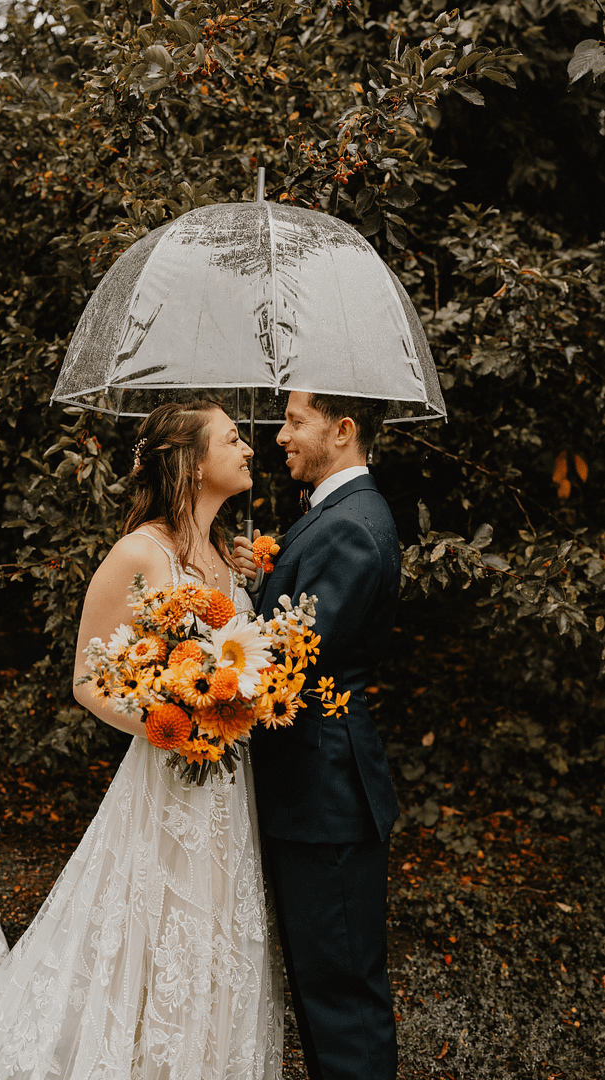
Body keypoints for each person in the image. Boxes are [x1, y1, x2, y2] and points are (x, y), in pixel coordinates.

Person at [0, 400, 283, 1080]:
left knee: (213, 927)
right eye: (233, 439)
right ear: (190, 463)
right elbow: (89, 680)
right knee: (148, 927)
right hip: (167, 773)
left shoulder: (223, 559)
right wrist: (168, 725)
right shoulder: (138, 552)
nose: (248, 449)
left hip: (224, 787)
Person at [234, 390, 400, 1080]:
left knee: (339, 996)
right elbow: (304, 619)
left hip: (324, 793)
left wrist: (214, 649)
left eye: (294, 421)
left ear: (342, 429)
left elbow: (294, 662)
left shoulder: (351, 526)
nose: (278, 437)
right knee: (321, 983)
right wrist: (262, 578)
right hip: (310, 789)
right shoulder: (331, 516)